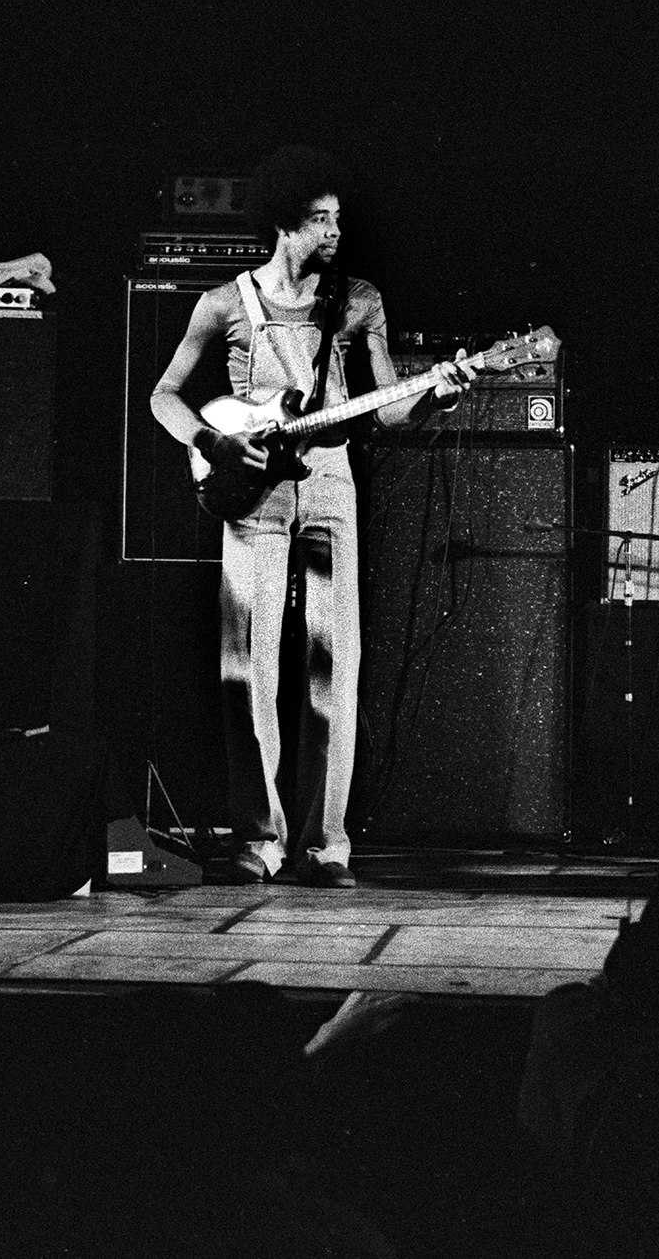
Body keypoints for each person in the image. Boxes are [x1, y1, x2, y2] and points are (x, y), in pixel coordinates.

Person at [147, 146, 472, 888]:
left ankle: (327, 845)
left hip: (328, 476)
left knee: (336, 658)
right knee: (246, 665)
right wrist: (210, 438)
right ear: (283, 226)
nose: (333, 231)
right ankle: (258, 841)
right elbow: (165, 395)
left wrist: (440, 390)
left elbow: (385, 406)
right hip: (251, 486)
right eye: (319, 219)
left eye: (336, 218)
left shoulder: (358, 300)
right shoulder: (225, 304)